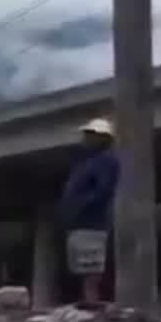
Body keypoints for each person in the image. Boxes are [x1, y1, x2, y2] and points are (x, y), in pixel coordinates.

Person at [59, 117, 120, 305]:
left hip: (91, 224)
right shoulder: (86, 162)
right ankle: (87, 303)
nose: (84, 138)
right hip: (78, 224)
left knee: (91, 270)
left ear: (101, 138)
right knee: (80, 268)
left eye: (89, 135)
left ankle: (91, 306)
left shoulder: (106, 161)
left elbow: (103, 191)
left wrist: (81, 206)